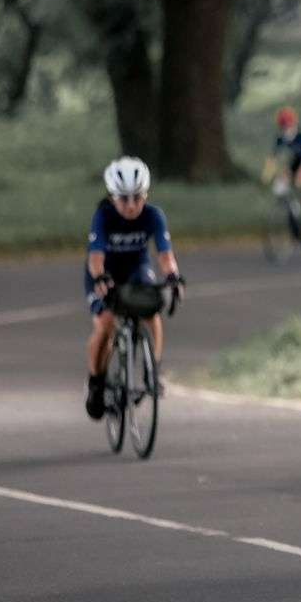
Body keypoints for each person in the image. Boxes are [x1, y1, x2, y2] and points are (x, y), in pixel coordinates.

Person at [84, 158, 184, 418]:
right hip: (103, 271)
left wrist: (173, 276)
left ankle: (154, 371)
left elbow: (164, 254)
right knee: (105, 324)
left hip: (136, 268)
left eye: (137, 198)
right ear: (112, 197)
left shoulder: (153, 216)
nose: (131, 206)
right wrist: (100, 278)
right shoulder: (103, 216)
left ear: (146, 195)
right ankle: (96, 382)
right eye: (124, 199)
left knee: (151, 309)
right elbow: (95, 257)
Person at [263, 106, 301, 250]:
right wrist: (266, 175)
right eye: (282, 126)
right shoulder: (280, 139)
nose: (285, 129)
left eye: (287, 125)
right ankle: (293, 216)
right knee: (284, 178)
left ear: (293, 123)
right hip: (297, 162)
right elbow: (272, 159)